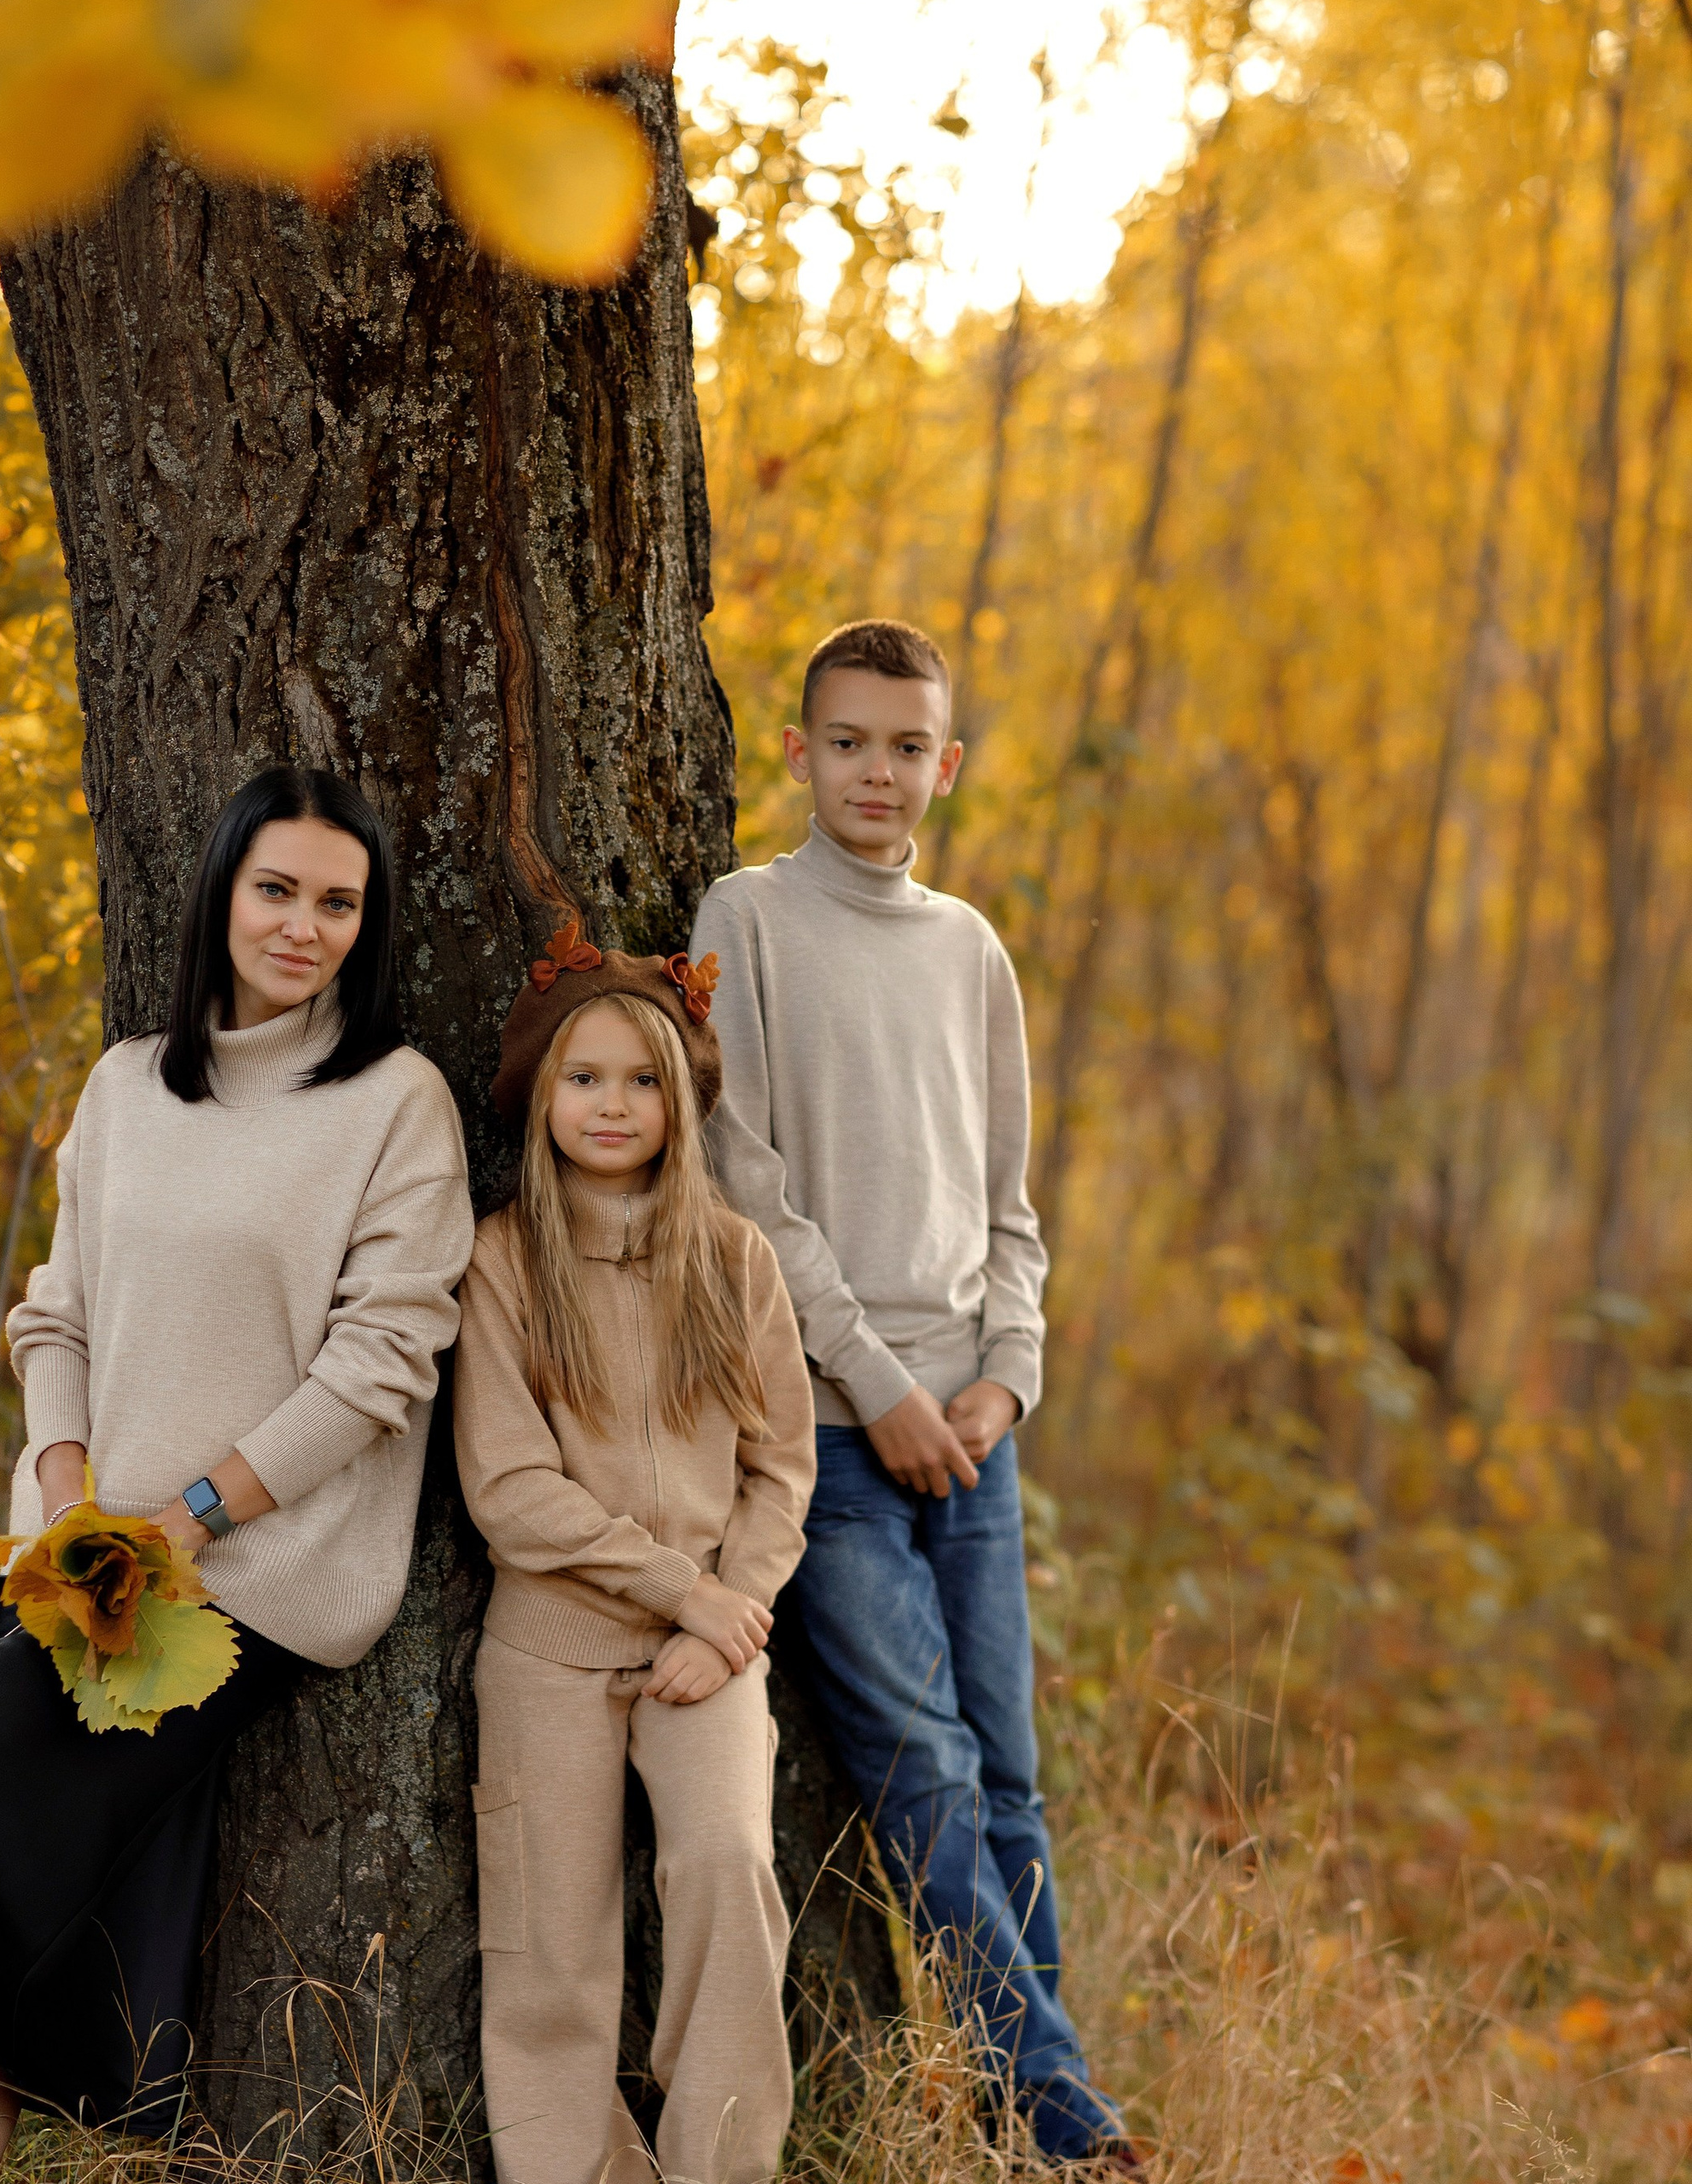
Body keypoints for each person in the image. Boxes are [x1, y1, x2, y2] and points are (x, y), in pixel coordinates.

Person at [0, 765, 474, 2184]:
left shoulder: (396, 1105)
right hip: (80, 1562)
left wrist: (189, 1517)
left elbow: (383, 1361)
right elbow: (58, 1315)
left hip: (239, 1586)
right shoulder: (126, 1082)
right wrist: (75, 1490)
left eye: (339, 903)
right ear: (222, 889)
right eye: (277, 890)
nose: (304, 926)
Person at [689, 620, 1136, 2169]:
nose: (878, 771)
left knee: (1008, 1778)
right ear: (799, 754)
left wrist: (1003, 1382)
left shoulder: (969, 950)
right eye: (849, 741)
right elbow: (745, 1187)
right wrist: (873, 1386)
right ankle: (1073, 2122)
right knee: (925, 1774)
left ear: (945, 767)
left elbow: (1008, 1208)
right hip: (834, 1439)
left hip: (974, 1438)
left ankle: (1027, 2121)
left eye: (907, 746)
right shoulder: (744, 921)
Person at [454, 933, 817, 2184]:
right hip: (549, 1654)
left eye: (642, 1082)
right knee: (551, 1948)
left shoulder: (738, 1262)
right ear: (539, 1097)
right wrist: (684, 1589)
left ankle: (719, 2168)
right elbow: (510, 1491)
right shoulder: (502, 1261)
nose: (613, 1107)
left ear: (683, 1098)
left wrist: (732, 1612)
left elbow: (781, 1471)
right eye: (585, 1080)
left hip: (711, 1658)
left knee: (727, 1872)